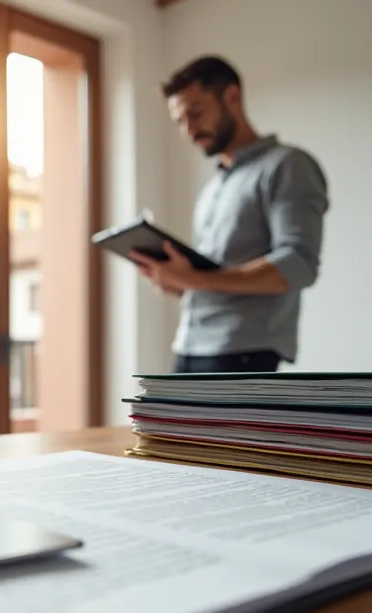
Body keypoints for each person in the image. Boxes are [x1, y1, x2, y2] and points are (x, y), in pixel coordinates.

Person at [134, 55, 329, 374]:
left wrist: (196, 279)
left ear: (232, 97)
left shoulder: (287, 165)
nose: (189, 130)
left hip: (243, 352)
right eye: (180, 121)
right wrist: (177, 282)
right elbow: (214, 278)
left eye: (195, 113)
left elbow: (298, 264)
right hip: (188, 346)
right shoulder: (211, 190)